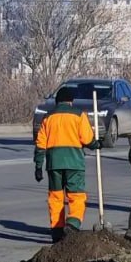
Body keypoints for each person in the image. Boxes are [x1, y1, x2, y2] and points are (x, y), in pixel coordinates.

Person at [33, 87, 97, 242]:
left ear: (57, 101)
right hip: (74, 163)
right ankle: (72, 224)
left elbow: (40, 144)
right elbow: (87, 139)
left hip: (54, 164)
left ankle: (57, 231)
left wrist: (38, 166)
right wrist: (96, 144)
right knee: (76, 195)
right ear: (71, 101)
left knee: (55, 197)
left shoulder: (48, 117)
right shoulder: (78, 115)